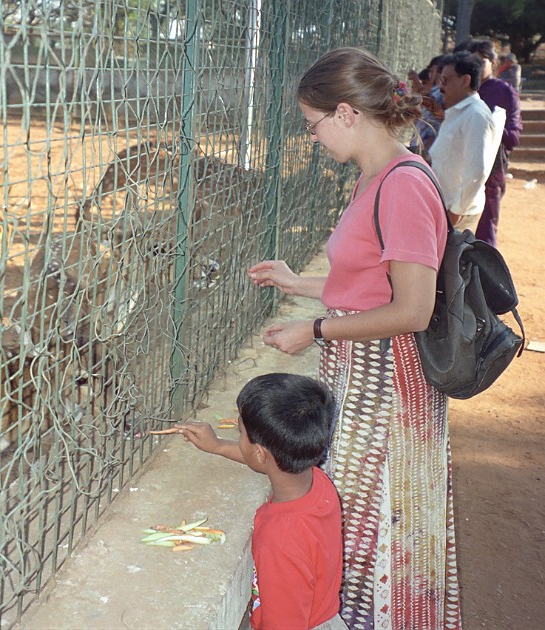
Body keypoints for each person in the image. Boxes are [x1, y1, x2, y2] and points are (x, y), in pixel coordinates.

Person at [247, 48, 460, 629]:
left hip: (389, 390)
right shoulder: (376, 176)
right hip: (364, 380)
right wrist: (301, 282)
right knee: (360, 530)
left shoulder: (403, 185)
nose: (312, 137)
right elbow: (368, 283)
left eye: (312, 125)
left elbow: (412, 309)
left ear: (344, 114)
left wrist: (313, 328)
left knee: (380, 526)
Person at [175, 374, 345, 630]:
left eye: (241, 433)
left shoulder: (279, 542)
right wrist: (218, 446)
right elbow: (272, 461)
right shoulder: (318, 484)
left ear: (259, 452)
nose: (238, 436)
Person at [429, 51, 502, 231]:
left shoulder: (476, 115)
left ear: (465, 80)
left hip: (456, 213)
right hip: (445, 206)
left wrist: (456, 212)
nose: (440, 86)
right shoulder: (459, 111)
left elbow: (477, 169)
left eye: (446, 80)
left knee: (448, 259)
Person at [468, 39, 523, 247]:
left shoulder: (505, 92)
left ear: (493, 62)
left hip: (490, 175)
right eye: (472, 61)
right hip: (459, 173)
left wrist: (489, 127)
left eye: (481, 61)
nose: (476, 67)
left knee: (485, 234)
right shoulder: (461, 89)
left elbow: (514, 136)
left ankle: (487, 278)